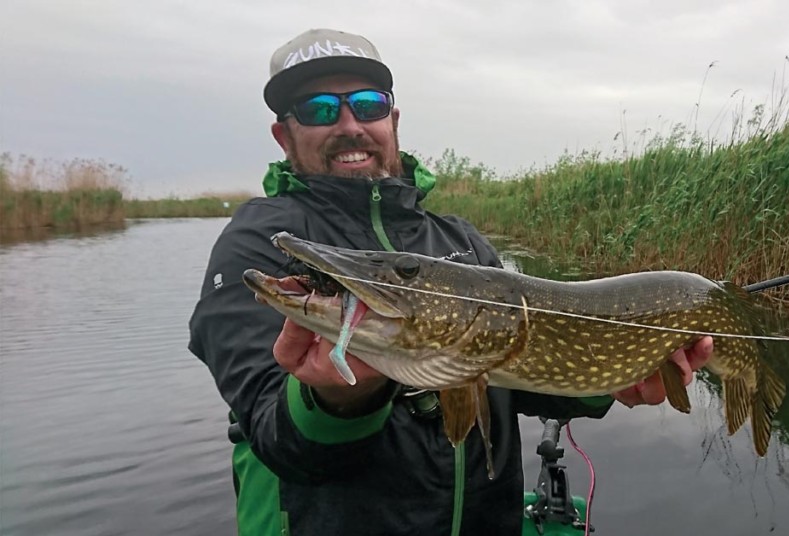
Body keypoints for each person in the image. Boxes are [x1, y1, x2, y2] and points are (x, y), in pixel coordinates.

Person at [188, 28, 713, 536]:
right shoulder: (257, 241)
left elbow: (513, 374)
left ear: (392, 119)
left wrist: (608, 381)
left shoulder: (456, 237)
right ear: (284, 134)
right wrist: (338, 398)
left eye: (367, 104)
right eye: (320, 109)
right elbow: (274, 438)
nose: (349, 124)